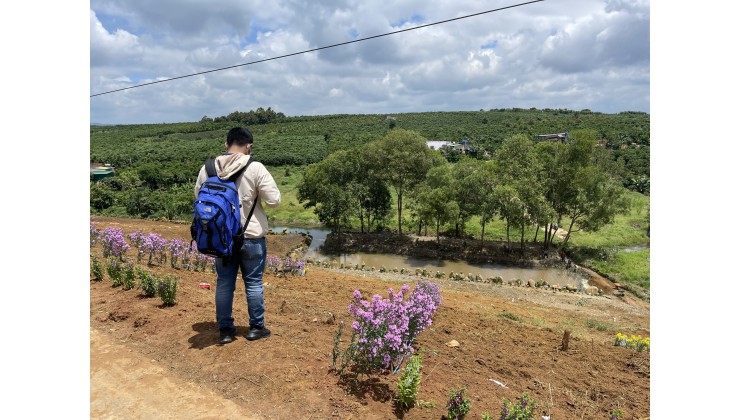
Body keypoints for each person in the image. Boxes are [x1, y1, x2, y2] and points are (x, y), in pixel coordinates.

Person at [194, 127, 281, 345]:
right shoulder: (255, 167)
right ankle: (256, 328)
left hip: (221, 237)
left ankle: (225, 331)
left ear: (226, 143)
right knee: (253, 282)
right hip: (251, 236)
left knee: (224, 283)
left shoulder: (208, 168)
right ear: (248, 145)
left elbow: (199, 198)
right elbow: (274, 200)